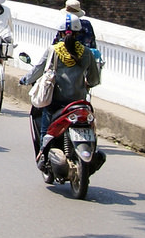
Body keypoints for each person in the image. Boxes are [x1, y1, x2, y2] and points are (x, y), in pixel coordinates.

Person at [21, 14, 101, 167]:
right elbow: (94, 80)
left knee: (46, 123)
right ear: (79, 33)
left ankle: (43, 154)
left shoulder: (54, 50)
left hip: (57, 102)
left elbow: (38, 69)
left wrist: (25, 79)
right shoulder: (86, 52)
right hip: (79, 102)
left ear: (61, 33)